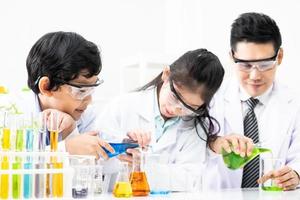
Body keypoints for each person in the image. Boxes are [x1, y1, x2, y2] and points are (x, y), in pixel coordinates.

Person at [95, 48, 225, 191]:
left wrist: (142, 167)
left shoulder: (196, 128)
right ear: (166, 75)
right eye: (175, 97)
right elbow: (93, 157)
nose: (176, 109)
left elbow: (190, 180)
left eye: (189, 107)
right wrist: (123, 147)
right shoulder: (123, 106)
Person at [204, 12, 300, 191]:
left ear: (279, 57)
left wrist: (295, 174)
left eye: (264, 65)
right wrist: (215, 143)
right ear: (232, 56)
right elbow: (188, 147)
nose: (255, 76)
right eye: (245, 65)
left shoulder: (295, 103)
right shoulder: (210, 98)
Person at [23, 31, 114, 159]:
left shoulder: (86, 116)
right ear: (46, 87)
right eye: (81, 91)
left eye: (91, 90)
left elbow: (107, 166)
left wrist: (71, 132)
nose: (89, 100)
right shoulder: (13, 116)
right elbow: (12, 166)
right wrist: (65, 149)